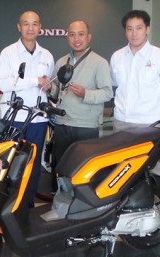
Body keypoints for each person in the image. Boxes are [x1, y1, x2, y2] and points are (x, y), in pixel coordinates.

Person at [0, 11, 54, 208]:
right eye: (26, 24)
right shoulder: (8, 53)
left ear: (40, 27)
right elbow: (4, 84)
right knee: (11, 161)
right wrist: (34, 81)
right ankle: (8, 205)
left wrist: (48, 86)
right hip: (14, 116)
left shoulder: (46, 55)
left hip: (38, 118)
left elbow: (49, 84)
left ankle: (27, 203)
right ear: (19, 27)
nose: (31, 28)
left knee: (33, 164)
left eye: (35, 24)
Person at [50, 20, 113, 191]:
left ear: (89, 37)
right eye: (72, 34)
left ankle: (82, 207)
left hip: (85, 126)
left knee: (84, 170)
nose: (76, 39)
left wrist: (86, 93)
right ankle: (60, 201)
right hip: (62, 124)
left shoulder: (100, 62)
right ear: (67, 37)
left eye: (81, 34)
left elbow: (108, 93)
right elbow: (56, 93)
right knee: (61, 168)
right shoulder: (61, 62)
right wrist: (51, 88)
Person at [110, 10, 160, 132]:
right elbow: (115, 85)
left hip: (149, 122)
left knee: (148, 152)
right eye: (129, 29)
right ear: (125, 31)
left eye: (139, 28)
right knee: (121, 151)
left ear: (147, 29)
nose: (134, 33)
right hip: (121, 120)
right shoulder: (117, 56)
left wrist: (155, 110)